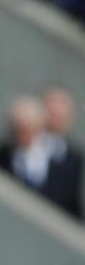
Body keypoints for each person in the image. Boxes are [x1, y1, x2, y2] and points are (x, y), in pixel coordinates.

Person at [0, 96, 52, 193]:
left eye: (30, 129)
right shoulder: (1, 155)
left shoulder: (55, 159)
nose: (24, 136)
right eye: (20, 130)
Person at [40, 86, 84, 218]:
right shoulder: (15, 149)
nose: (55, 117)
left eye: (60, 115)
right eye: (52, 112)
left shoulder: (75, 159)